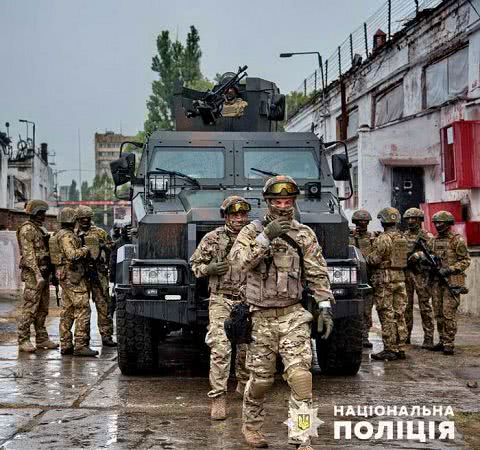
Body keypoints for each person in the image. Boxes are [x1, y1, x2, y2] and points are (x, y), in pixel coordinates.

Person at [228, 175, 334, 449]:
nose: (283, 205)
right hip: (260, 317)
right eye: (277, 201)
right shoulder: (250, 233)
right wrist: (266, 237)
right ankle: (252, 428)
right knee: (261, 381)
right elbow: (239, 264)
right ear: (268, 202)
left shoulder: (304, 234)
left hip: (292, 315)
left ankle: (302, 437)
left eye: (288, 201)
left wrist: (324, 307)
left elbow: (317, 272)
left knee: (301, 378)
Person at [190, 196, 251, 420]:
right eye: (234, 215)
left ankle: (243, 383)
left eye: (243, 214)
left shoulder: (254, 237)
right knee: (220, 348)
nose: (239, 219)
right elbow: (195, 265)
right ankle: (218, 397)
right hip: (221, 299)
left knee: (246, 348)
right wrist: (209, 268)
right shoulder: (213, 238)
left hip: (248, 300)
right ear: (225, 216)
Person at [51, 207, 97, 356]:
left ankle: (65, 344)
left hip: (65, 276)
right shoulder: (67, 236)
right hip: (73, 276)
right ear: (73, 220)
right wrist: (85, 250)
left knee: (68, 311)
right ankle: (80, 345)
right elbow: (72, 255)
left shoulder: (58, 234)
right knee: (83, 308)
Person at [366, 207, 408, 362]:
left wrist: (367, 256)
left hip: (385, 280)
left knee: (386, 314)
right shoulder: (402, 237)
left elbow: (374, 260)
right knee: (399, 314)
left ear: (383, 221)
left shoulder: (383, 239)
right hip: (400, 279)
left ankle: (390, 348)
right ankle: (400, 347)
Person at [16, 200, 59, 352]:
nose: (43, 216)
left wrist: (50, 273)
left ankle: (41, 338)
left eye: (43, 213)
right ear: (33, 213)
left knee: (42, 308)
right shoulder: (27, 229)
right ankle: (23, 339)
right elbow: (29, 256)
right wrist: (37, 275)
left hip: (44, 273)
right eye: (40, 213)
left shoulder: (40, 229)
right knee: (30, 308)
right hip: (34, 275)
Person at [428, 211, 470, 355]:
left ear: (448, 224)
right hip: (436, 283)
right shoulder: (433, 241)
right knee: (438, 313)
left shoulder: (457, 241)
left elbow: (465, 260)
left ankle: (449, 342)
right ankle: (441, 339)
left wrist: (450, 269)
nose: (438, 226)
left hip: (451, 282)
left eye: (441, 223)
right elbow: (429, 257)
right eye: (436, 223)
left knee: (448, 313)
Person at [75, 206, 116, 347]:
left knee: (103, 305)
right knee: (82, 308)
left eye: (88, 218)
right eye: (82, 219)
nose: (85, 221)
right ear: (77, 219)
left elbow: (112, 249)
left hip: (98, 273)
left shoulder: (100, 232)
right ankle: (83, 338)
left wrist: (103, 246)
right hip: (81, 275)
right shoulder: (73, 234)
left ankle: (106, 335)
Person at [403, 208, 434, 348]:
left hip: (421, 274)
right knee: (405, 307)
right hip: (406, 274)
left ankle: (428, 338)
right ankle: (405, 336)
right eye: (408, 219)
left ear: (420, 220)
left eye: (413, 219)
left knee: (425, 307)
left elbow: (434, 256)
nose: (410, 221)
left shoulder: (427, 236)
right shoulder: (403, 236)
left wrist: (419, 255)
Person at [349, 209, 375, 348]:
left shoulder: (372, 238)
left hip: (368, 278)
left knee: (366, 310)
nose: (363, 224)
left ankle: (364, 336)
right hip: (354, 279)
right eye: (360, 221)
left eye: (365, 221)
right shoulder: (349, 238)